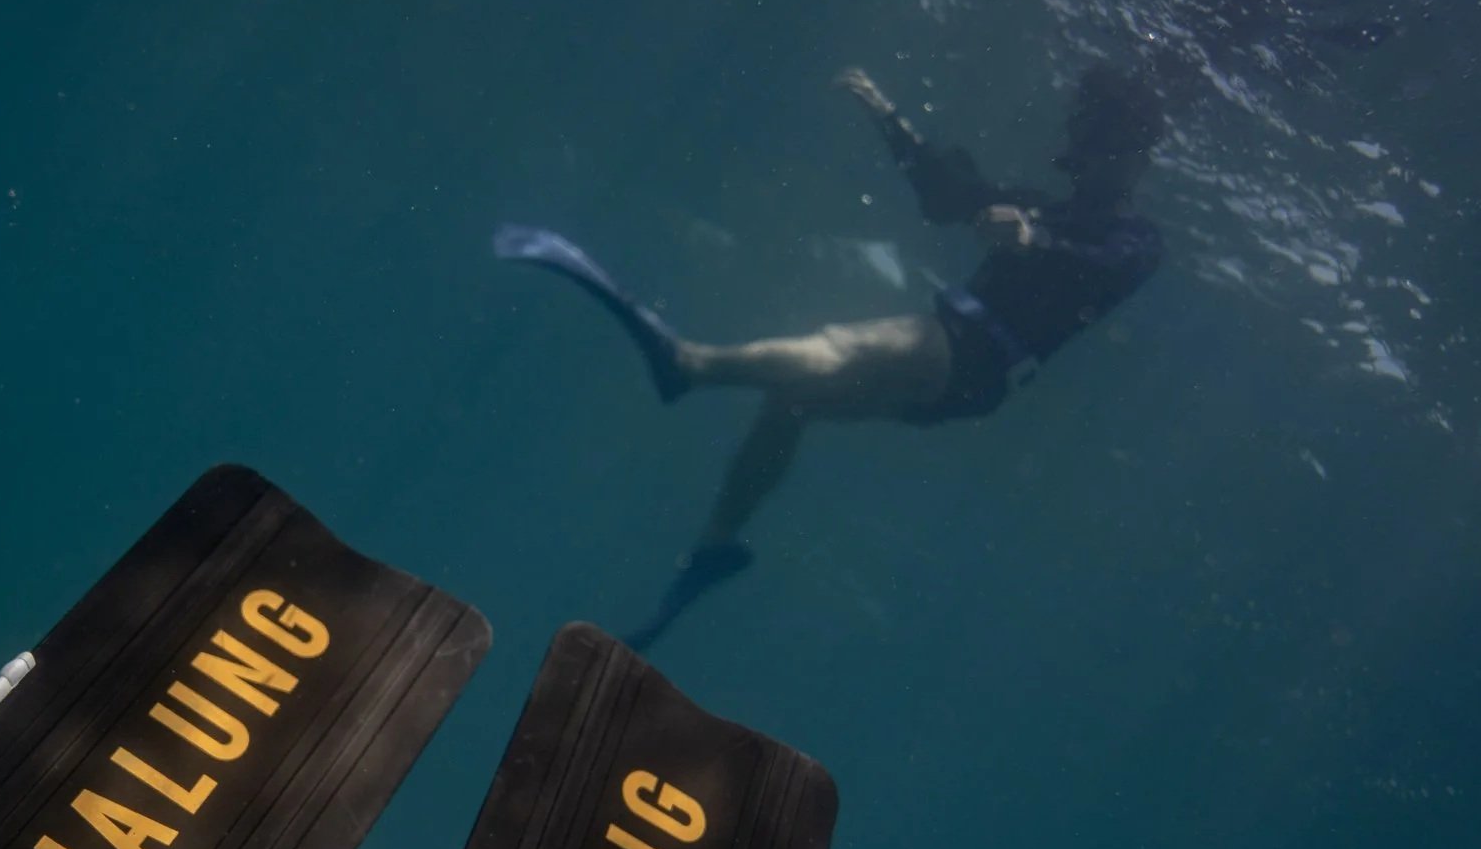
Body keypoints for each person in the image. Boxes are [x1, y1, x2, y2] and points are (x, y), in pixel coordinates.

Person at [496, 60, 1167, 648]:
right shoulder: (1041, 207)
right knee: (790, 400)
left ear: (1127, 155)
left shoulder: (1134, 238)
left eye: (1097, 143)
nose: (1080, 154)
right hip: (969, 374)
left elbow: (1105, 266)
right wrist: (889, 118)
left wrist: (1031, 242)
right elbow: (950, 196)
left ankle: (690, 364)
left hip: (974, 353)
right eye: (1083, 141)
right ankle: (715, 545)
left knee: (842, 346)